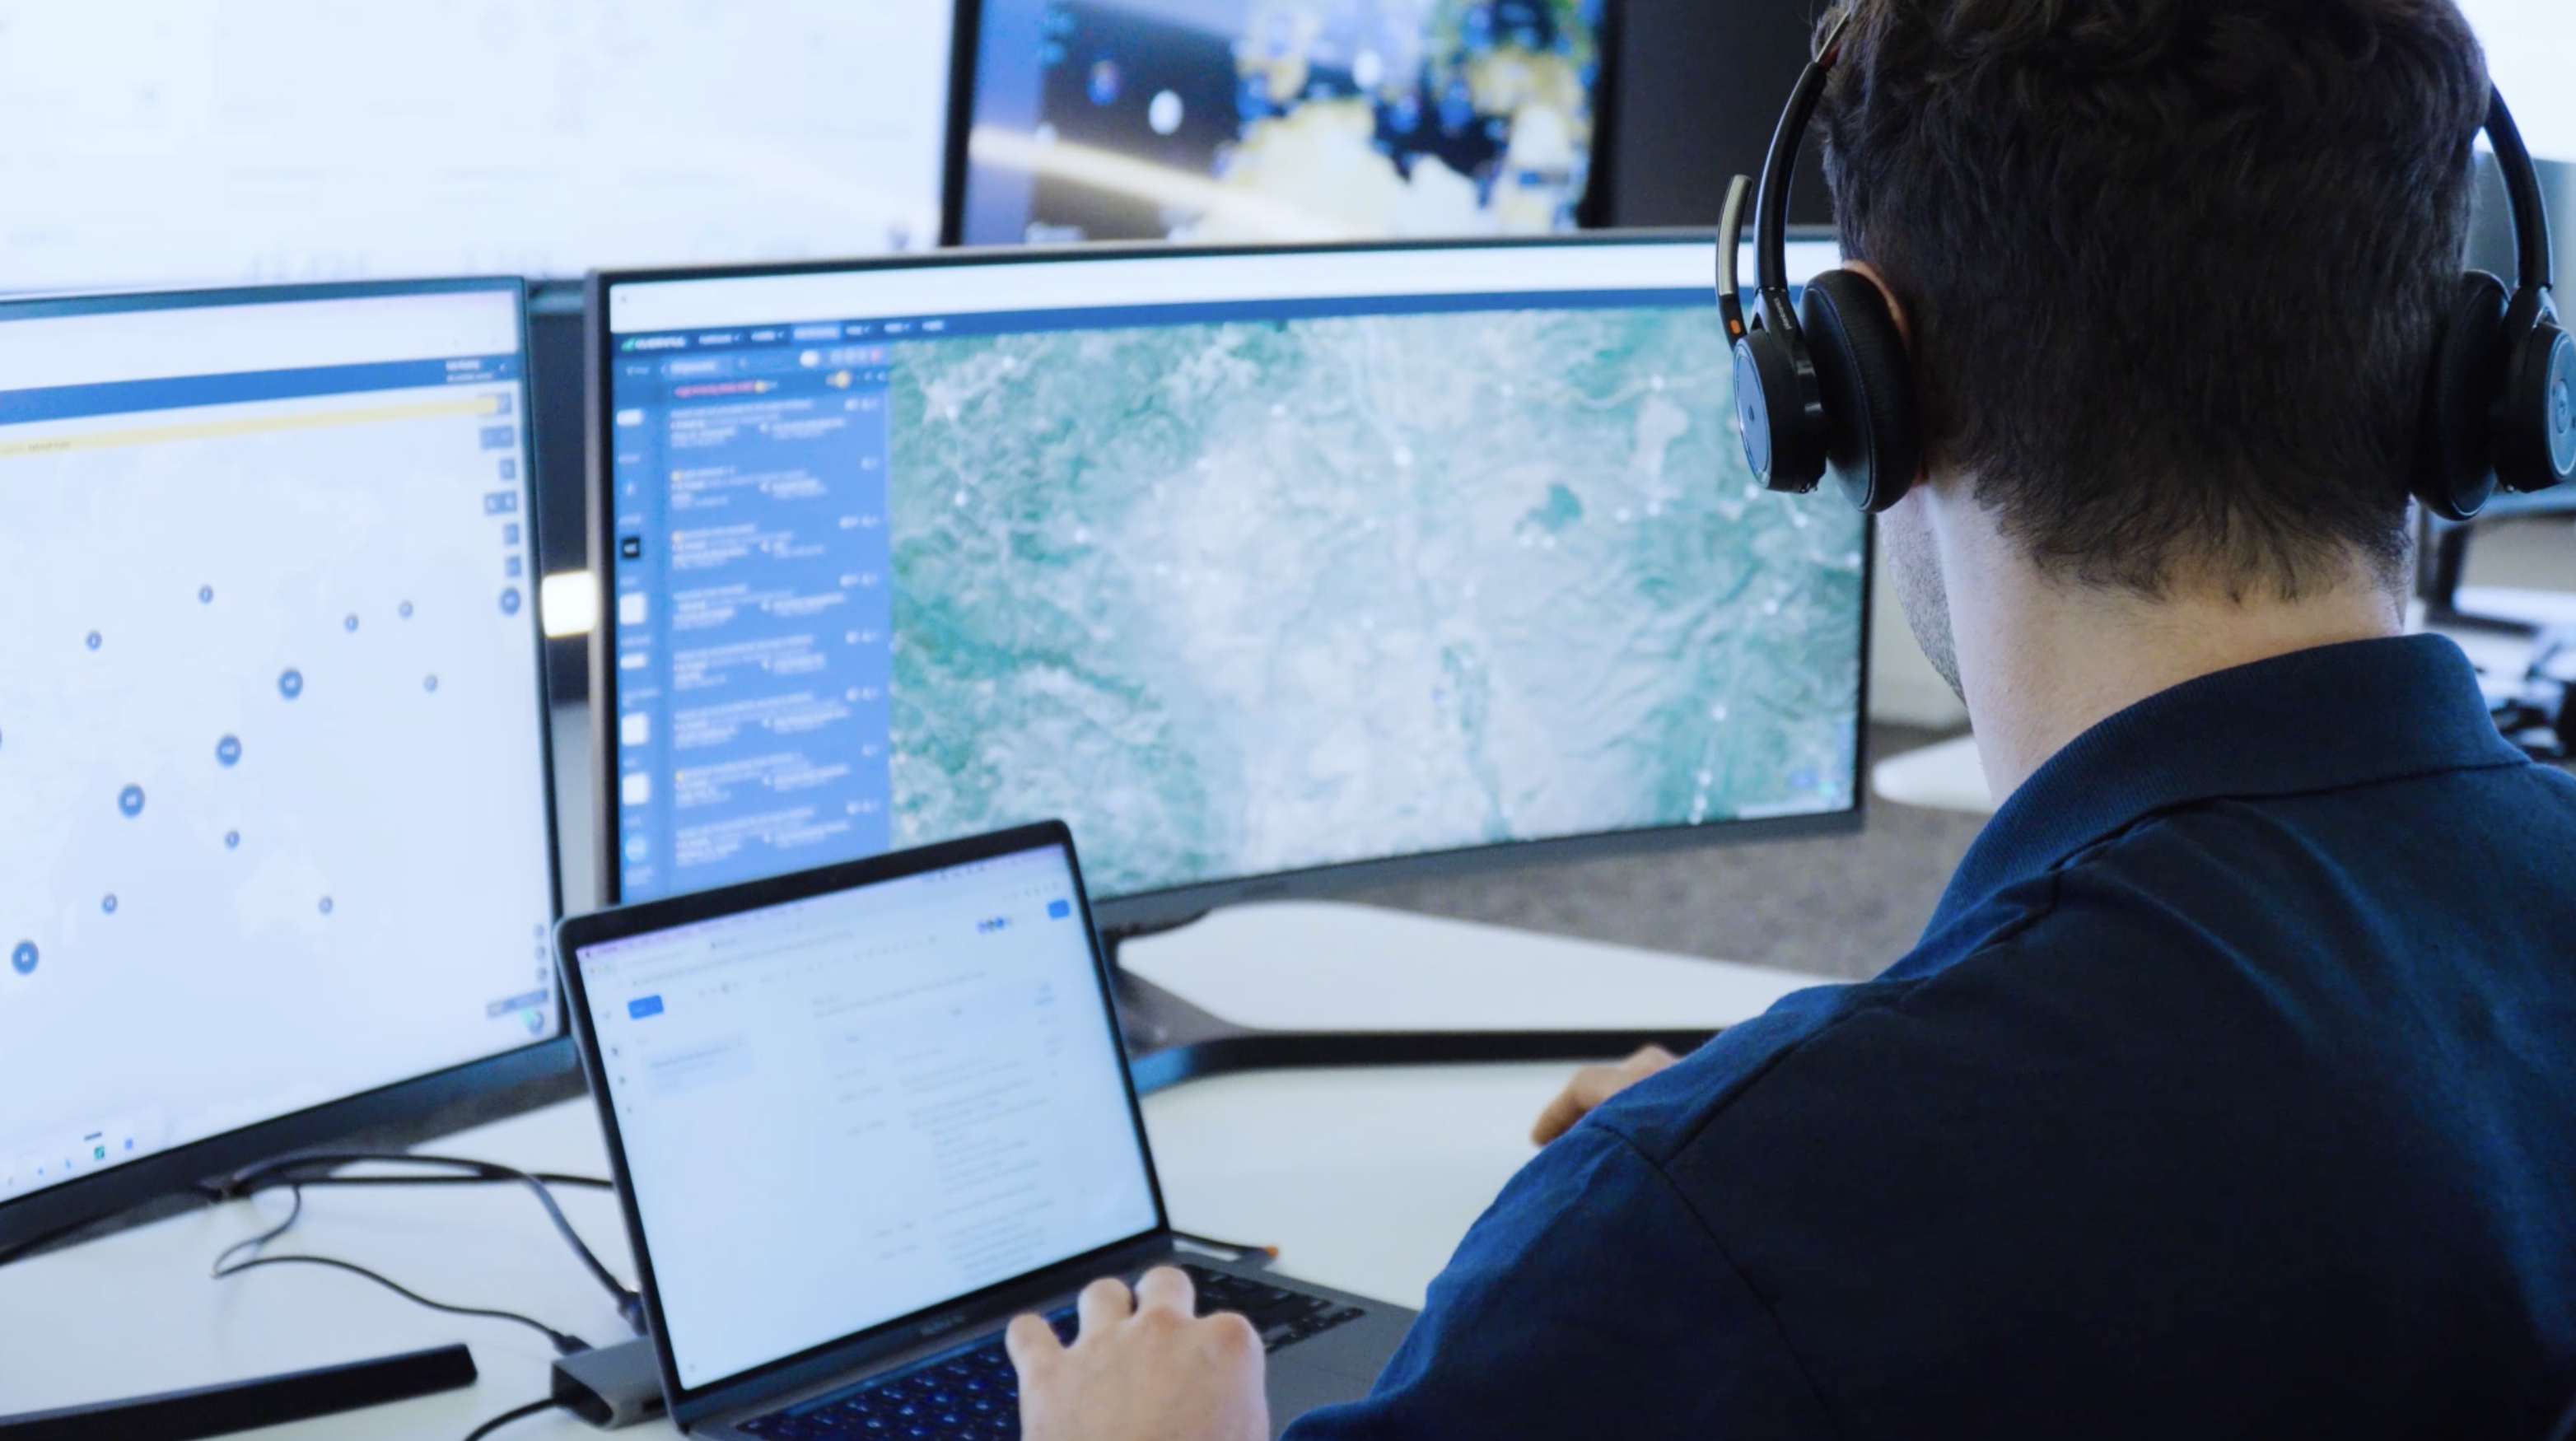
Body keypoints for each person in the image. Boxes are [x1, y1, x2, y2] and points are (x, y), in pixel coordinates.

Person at [1003, 0, 2576, 1434]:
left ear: (1854, 379)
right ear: (2464, 371)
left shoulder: (1721, 1229)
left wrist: (1760, 1173)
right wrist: (1821, 1128)